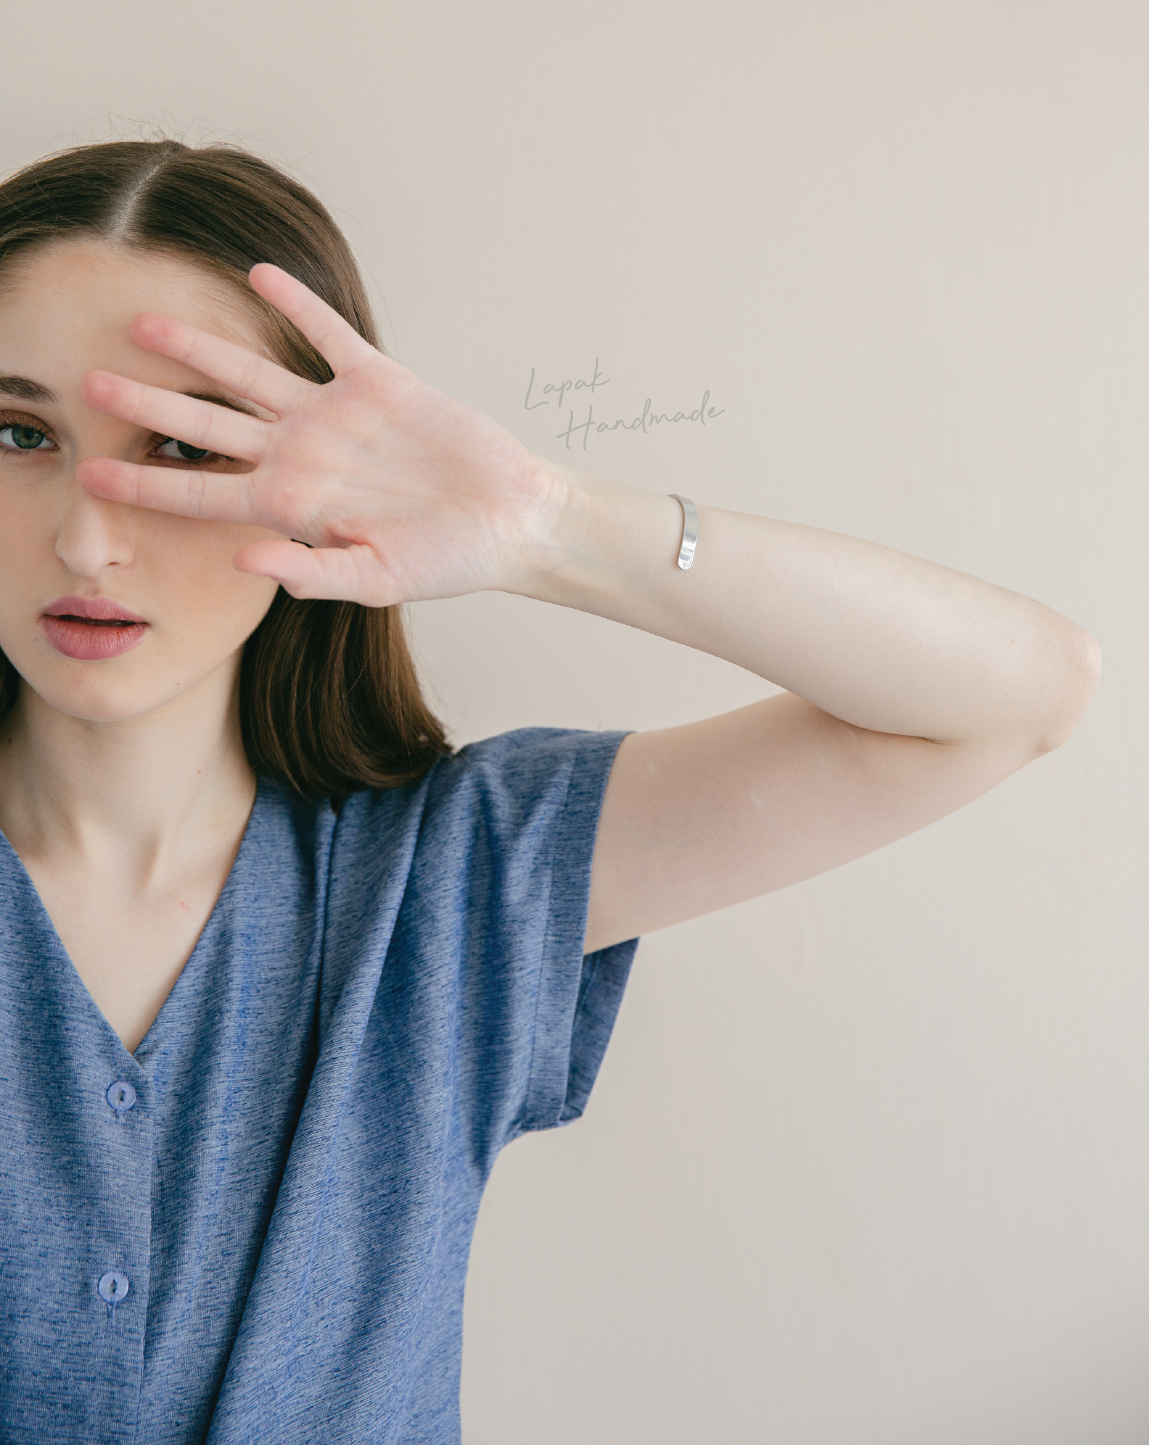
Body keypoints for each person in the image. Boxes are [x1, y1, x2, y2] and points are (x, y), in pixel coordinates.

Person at [0, 138, 1100, 1444]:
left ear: (320, 485)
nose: (86, 534)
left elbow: (1024, 691)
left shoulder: (459, 882)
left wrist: (545, 523)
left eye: (183, 445)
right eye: (19, 432)